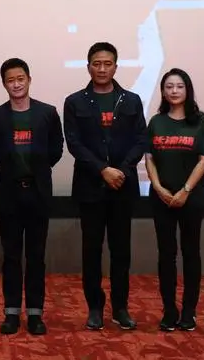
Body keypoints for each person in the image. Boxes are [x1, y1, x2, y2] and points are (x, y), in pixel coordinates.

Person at [63, 42, 147, 331]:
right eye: (96, 63)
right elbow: (74, 143)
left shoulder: (132, 100)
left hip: (122, 186)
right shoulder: (74, 102)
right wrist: (102, 170)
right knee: (92, 250)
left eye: (107, 63)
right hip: (91, 187)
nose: (102, 69)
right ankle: (95, 308)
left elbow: (140, 140)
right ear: (88, 66)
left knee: (121, 251)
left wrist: (120, 172)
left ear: (115, 66)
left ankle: (120, 308)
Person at [0, 58, 63, 335]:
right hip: (10, 193)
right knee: (11, 256)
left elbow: (56, 149)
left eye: (20, 79)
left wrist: (37, 170)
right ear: (4, 83)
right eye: (10, 80)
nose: (16, 84)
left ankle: (35, 313)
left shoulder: (47, 113)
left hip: (38, 193)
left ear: (29, 79)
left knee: (37, 255)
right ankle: (10, 313)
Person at [145, 68, 204, 332]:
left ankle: (189, 311)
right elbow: (149, 158)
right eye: (169, 86)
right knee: (166, 255)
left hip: (191, 197)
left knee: (190, 253)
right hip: (161, 197)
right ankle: (169, 311)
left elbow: (203, 159)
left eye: (179, 86)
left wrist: (185, 190)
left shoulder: (200, 121)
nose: (174, 91)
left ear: (188, 90)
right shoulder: (156, 122)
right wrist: (159, 188)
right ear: (163, 91)